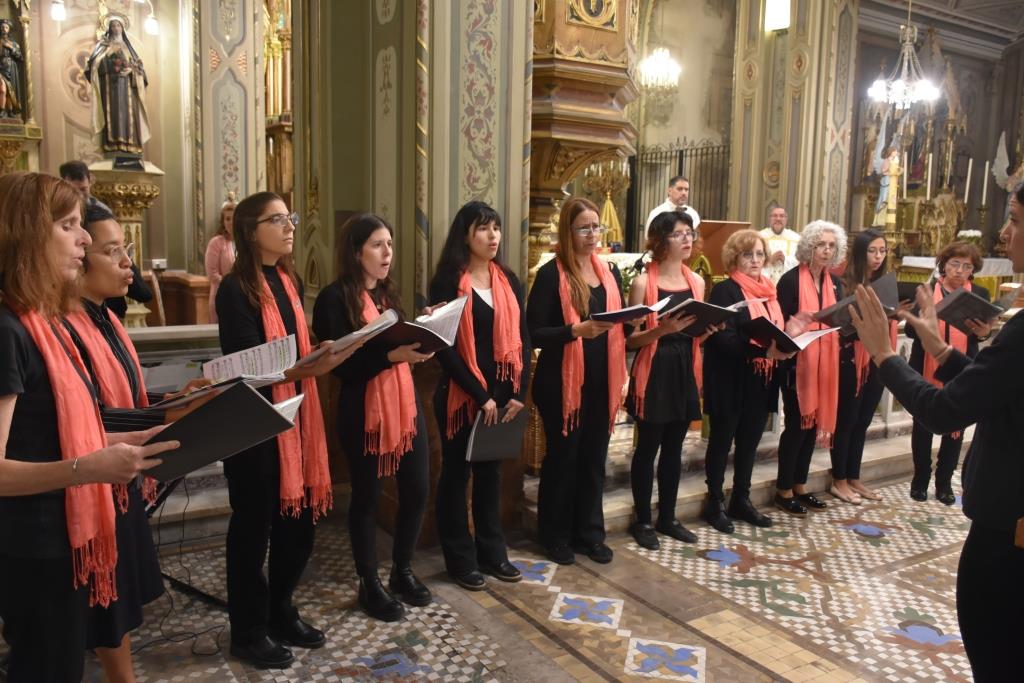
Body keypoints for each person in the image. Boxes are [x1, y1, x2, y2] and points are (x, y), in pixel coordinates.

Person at [0, 172, 176, 683]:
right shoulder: (9, 330)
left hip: (66, 538)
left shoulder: (44, 322)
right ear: (27, 233)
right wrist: (88, 467)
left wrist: (124, 441)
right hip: (36, 545)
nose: (82, 238)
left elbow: (56, 432)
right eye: (68, 225)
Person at [847, 183, 1024, 682]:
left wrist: (883, 354)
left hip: (1009, 540)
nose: (1005, 233)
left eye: (1013, 218)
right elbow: (997, 390)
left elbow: (946, 413)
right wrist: (940, 350)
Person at [215, 191, 356, 669]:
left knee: (297, 528)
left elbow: (295, 347)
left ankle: (280, 610)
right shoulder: (235, 289)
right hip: (254, 426)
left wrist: (322, 352)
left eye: (289, 217)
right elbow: (246, 365)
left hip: (297, 417)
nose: (289, 226)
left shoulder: (288, 279)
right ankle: (248, 631)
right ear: (251, 231)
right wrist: (303, 367)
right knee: (253, 531)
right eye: (277, 220)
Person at [61, 203, 166, 683]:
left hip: (117, 475)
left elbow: (122, 392)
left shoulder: (106, 317)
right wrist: (163, 415)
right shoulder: (64, 326)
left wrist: (170, 404)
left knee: (115, 602)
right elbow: (86, 418)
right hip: (90, 478)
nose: (128, 263)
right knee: (106, 606)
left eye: (127, 250)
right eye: (113, 251)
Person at [312, 214, 433, 623]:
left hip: (404, 407)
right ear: (356, 251)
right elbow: (342, 366)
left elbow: (396, 345)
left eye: (390, 245)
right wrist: (391, 356)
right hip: (363, 409)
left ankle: (401, 570)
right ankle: (369, 583)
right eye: (378, 245)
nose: (388, 254)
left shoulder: (387, 295)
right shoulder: (333, 299)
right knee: (365, 498)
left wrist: (424, 331)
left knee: (416, 490)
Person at [527, 197, 640, 566]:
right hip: (561, 383)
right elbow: (535, 332)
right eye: (584, 228)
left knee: (594, 458)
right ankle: (555, 536)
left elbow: (616, 320)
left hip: (601, 380)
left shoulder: (607, 271)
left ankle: (589, 532)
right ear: (568, 231)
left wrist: (633, 322)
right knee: (563, 460)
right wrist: (577, 329)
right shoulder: (550, 274)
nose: (593, 234)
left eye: (596, 227)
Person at [428, 201, 530, 590]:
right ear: (465, 235)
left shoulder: (508, 280)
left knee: (491, 477)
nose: (493, 237)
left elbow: (524, 337)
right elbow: (444, 346)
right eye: (484, 229)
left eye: (496, 228)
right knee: (456, 476)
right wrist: (479, 394)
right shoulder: (447, 281)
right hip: (461, 395)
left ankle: (493, 553)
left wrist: (518, 391)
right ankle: (459, 558)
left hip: (504, 397)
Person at [625, 210, 719, 549]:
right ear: (660, 240)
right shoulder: (642, 283)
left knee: (674, 448)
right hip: (654, 369)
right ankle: (643, 520)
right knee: (647, 447)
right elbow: (630, 341)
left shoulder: (696, 282)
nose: (688, 239)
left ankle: (668, 516)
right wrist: (661, 330)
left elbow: (694, 335)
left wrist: (707, 332)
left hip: (684, 367)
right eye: (679, 233)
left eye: (690, 233)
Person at [702, 229, 797, 534]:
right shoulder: (725, 291)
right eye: (747, 254)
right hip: (730, 378)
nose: (755, 260)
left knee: (749, 443)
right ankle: (714, 501)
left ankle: (741, 498)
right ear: (734, 257)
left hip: (760, 379)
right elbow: (723, 339)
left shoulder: (769, 291)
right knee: (721, 442)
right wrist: (763, 349)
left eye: (758, 254)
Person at [907, 241, 991, 505]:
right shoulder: (928, 290)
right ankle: (920, 481)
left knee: (955, 428)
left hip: (963, 367)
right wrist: (924, 324)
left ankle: (944, 484)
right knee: (922, 427)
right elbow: (909, 330)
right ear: (944, 264)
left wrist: (984, 332)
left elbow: (984, 330)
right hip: (926, 365)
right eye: (955, 264)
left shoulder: (978, 293)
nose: (960, 271)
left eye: (967, 266)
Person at [774, 221, 845, 516]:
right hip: (796, 362)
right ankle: (783, 489)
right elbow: (778, 324)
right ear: (808, 247)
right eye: (820, 245)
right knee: (796, 425)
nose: (826, 251)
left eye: (831, 245)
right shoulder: (790, 280)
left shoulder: (835, 283)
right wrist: (797, 324)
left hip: (825, 361)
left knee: (813, 425)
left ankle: (800, 484)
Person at [829, 229, 892, 505]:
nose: (878, 257)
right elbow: (837, 322)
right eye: (872, 251)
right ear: (860, 252)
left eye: (882, 251)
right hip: (851, 358)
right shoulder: (844, 282)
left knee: (864, 420)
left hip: (877, 358)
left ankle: (854, 476)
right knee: (847, 420)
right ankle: (839, 479)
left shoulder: (885, 283)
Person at [58, 160, 152, 317]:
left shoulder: (101, 213)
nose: (79, 198)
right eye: (68, 226)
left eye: (83, 190)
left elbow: (143, 293)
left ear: (90, 181)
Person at [85, 16, 150, 157]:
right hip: (109, 89)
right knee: (112, 116)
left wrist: (132, 71)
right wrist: (108, 62)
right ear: (109, 29)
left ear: (122, 28)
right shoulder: (103, 46)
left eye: (118, 26)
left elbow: (141, 73)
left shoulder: (129, 48)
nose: (116, 28)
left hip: (128, 90)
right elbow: (92, 66)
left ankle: (130, 145)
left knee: (129, 117)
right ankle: (112, 146)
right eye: (113, 26)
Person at [205, 198, 237, 323]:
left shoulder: (246, 242)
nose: (231, 222)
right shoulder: (216, 242)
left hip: (243, 296)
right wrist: (232, 285)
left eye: (234, 218)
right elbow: (212, 274)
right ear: (223, 222)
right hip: (222, 295)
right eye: (227, 219)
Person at [759, 206, 800, 284]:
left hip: (788, 282)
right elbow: (752, 261)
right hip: (765, 282)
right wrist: (769, 261)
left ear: (786, 219)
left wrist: (785, 260)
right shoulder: (759, 237)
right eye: (774, 216)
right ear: (769, 219)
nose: (778, 219)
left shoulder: (796, 238)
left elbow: (801, 262)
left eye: (781, 216)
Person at [0, 18, 23, 119]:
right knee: (3, 90)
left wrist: (10, 48)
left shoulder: (14, 44)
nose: (4, 29)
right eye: (2, 27)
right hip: (1, 68)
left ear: (9, 29)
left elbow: (20, 57)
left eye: (6, 27)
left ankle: (9, 111)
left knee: (10, 91)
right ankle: (2, 110)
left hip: (11, 68)